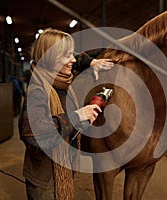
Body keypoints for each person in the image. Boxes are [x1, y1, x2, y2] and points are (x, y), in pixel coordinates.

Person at [18, 28, 113, 200]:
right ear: (50, 58)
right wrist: (77, 116)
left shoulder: (61, 83)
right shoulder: (37, 90)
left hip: (62, 170)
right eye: (66, 56)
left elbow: (67, 127)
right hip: (44, 181)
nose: (73, 60)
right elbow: (34, 135)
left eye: (72, 54)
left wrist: (92, 63)